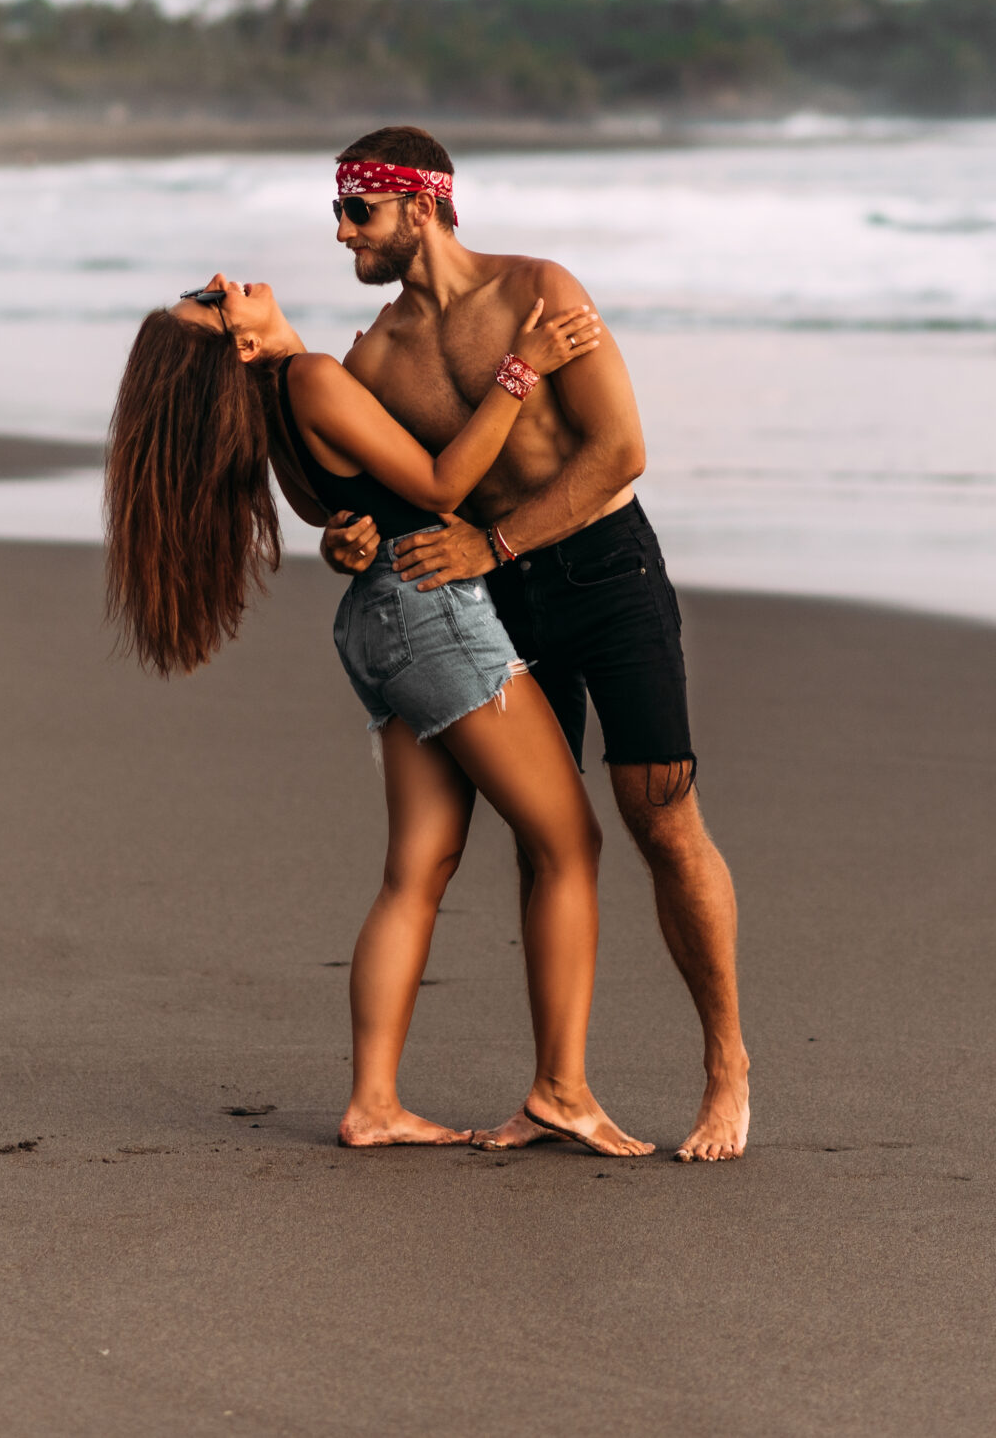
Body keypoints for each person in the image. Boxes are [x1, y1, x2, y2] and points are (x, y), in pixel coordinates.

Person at [104, 272, 652, 1157]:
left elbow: (342, 515)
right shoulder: (311, 377)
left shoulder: (277, 414)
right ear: (239, 344)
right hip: (430, 609)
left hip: (374, 622)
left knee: (417, 870)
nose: (222, 284)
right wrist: (523, 368)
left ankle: (375, 1103)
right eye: (212, 301)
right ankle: (562, 1091)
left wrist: (340, 539)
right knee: (569, 843)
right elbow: (440, 484)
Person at [316, 127, 753, 1163]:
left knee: (660, 813)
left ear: (420, 206)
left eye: (358, 213)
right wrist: (351, 535)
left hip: (605, 573)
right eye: (339, 214)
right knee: (546, 833)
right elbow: (392, 490)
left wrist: (499, 537)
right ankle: (559, 1084)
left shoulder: (539, 290)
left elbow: (620, 451)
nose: (343, 236)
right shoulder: (372, 357)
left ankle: (726, 1061)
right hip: (492, 595)